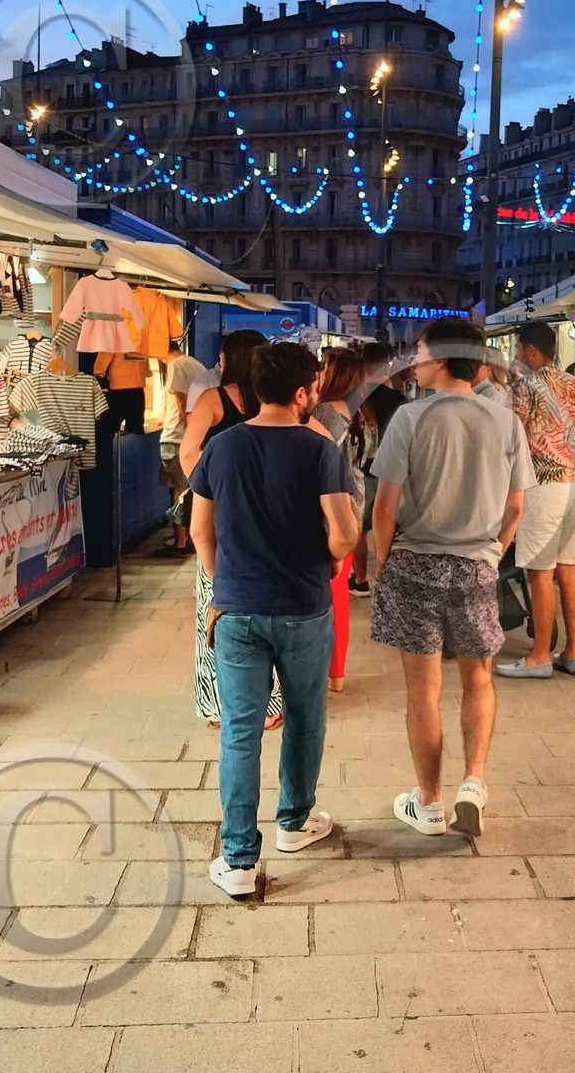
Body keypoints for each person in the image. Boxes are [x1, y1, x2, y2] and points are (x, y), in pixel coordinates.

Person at [189, 342, 358, 896]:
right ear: (303, 392)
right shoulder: (320, 448)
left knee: (240, 733)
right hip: (304, 608)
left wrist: (225, 584)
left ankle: (238, 860)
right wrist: (331, 559)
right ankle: (294, 822)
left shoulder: (222, 448)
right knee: (306, 718)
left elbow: (199, 532)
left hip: (237, 612)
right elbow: (345, 532)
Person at [371, 318, 534, 837]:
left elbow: (384, 508)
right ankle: (474, 782)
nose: (413, 362)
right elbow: (515, 506)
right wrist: (492, 555)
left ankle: (430, 803)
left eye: (418, 353)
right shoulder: (505, 422)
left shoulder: (410, 419)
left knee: (423, 691)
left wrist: (382, 564)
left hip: (415, 564)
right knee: (478, 678)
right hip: (476, 568)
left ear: (441, 359)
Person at [180, 331, 282, 729]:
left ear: (230, 357)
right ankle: (270, 706)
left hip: (223, 519)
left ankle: (220, 706)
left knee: (216, 605)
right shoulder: (275, 401)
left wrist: (213, 491)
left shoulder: (214, 400)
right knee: (268, 610)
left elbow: (189, 452)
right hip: (271, 520)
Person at [498, 321, 575, 679]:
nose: (515, 356)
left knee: (540, 574)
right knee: (568, 569)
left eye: (517, 349)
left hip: (543, 486)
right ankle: (572, 652)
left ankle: (539, 656)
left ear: (530, 351)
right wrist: (574, 462)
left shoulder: (524, 387)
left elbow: (512, 440)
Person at [309, 347, 375, 693]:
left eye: (324, 367)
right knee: (340, 595)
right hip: (354, 507)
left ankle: (324, 672)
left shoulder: (322, 413)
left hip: (328, 514)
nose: (318, 372)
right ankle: (337, 673)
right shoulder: (362, 413)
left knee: (327, 596)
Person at [348, 341, 407, 598]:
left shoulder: (355, 398)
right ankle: (389, 577)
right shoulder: (403, 402)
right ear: (388, 366)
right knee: (390, 527)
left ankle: (360, 579)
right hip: (394, 473)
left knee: (360, 531)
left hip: (363, 470)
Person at [158, 339, 205, 558]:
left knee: (178, 490)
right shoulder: (195, 364)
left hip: (176, 437)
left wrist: (189, 429)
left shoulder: (176, 365)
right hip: (193, 438)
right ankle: (189, 538)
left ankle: (179, 543)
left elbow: (180, 400)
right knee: (191, 489)